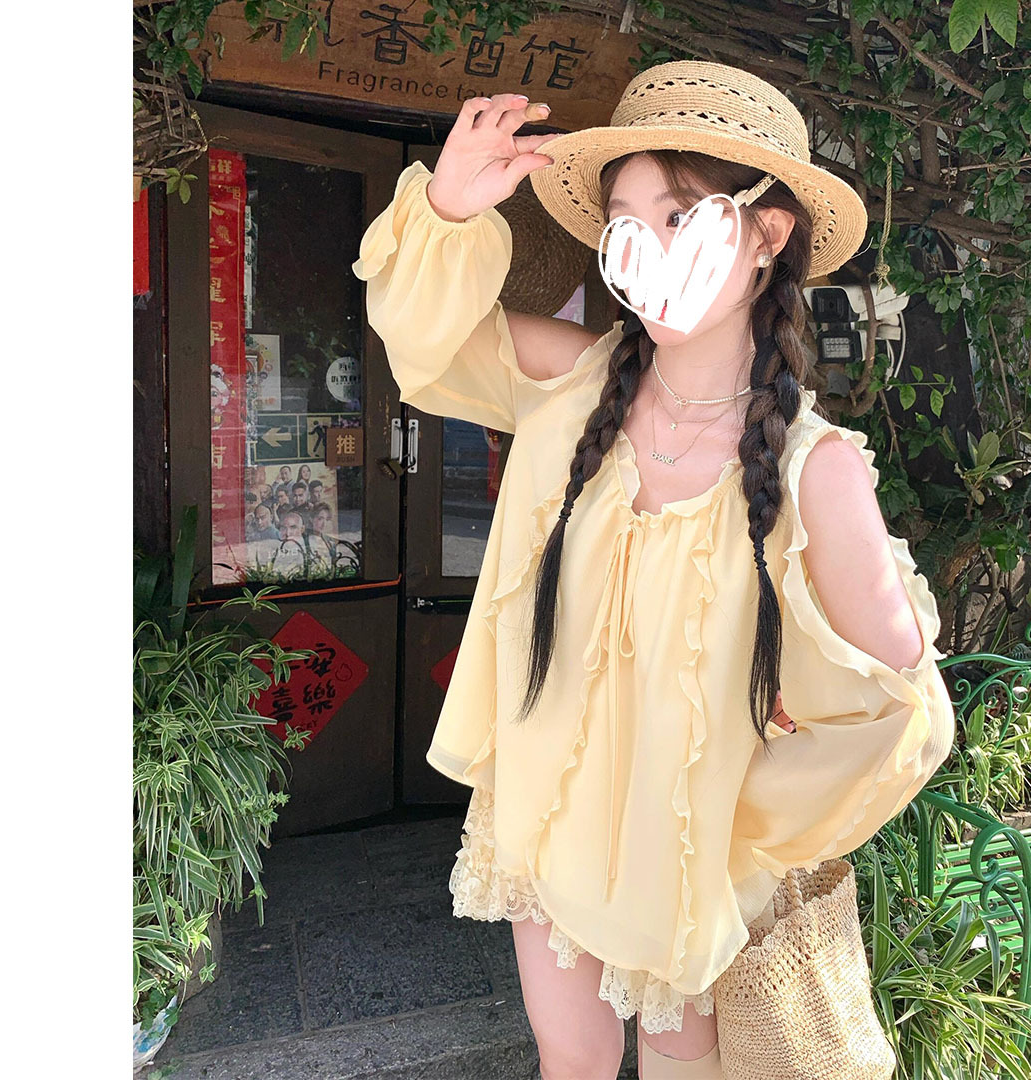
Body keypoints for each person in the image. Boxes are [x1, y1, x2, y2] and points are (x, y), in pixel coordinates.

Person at [354, 62, 956, 1080]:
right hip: (548, 819)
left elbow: (904, 717)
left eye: (678, 216)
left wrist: (741, 822)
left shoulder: (814, 470)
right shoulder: (574, 384)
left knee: (687, 1069)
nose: (647, 247)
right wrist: (449, 212)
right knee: (570, 1059)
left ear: (766, 234)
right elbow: (429, 350)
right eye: (624, 223)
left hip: (682, 859)